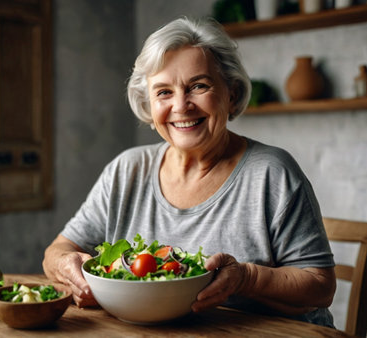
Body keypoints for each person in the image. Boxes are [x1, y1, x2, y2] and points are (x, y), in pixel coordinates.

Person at [43, 17, 336, 327]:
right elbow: (58, 251)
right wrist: (68, 268)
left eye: (198, 86)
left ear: (231, 93)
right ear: (149, 104)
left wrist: (246, 277)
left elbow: (320, 286)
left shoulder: (272, 172)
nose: (181, 106)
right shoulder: (126, 170)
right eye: (164, 92)